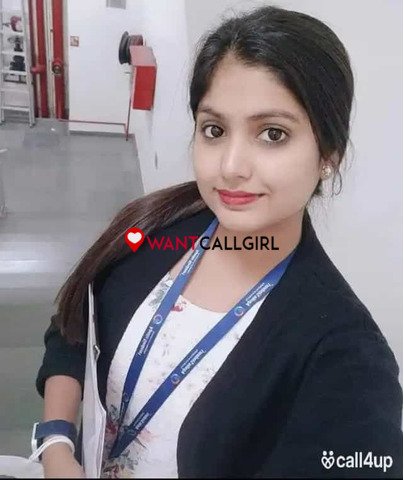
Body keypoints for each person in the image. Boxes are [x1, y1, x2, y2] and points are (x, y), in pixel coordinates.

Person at [34, 5, 402, 478]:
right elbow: (73, 329)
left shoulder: (347, 357)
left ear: (329, 153)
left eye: (273, 134)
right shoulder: (149, 232)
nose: (230, 166)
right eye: (214, 130)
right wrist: (57, 442)